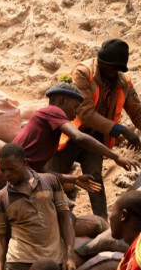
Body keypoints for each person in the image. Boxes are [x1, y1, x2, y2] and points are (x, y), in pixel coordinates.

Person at [0, 76, 140, 270]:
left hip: (6, 178)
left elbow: (39, 172)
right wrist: (115, 157)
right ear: (61, 100)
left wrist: (73, 179)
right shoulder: (52, 112)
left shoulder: (47, 130)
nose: (77, 111)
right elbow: (79, 137)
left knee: (6, 236)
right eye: (75, 105)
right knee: (3, 237)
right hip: (7, 179)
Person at [50, 39, 141, 219]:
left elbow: (137, 112)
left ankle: (102, 223)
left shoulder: (123, 82)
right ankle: (50, 218)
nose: (113, 73)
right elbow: (85, 113)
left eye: (117, 70)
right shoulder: (83, 73)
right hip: (71, 135)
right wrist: (119, 129)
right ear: (102, 63)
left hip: (96, 139)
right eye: (111, 68)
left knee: (94, 179)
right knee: (55, 178)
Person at [0, 143, 76, 270]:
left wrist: (69, 255)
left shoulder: (50, 182)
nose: (6, 174)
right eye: (2, 170)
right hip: (19, 264)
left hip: (50, 262)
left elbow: (65, 217)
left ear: (25, 163)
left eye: (11, 169)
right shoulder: (0, 198)